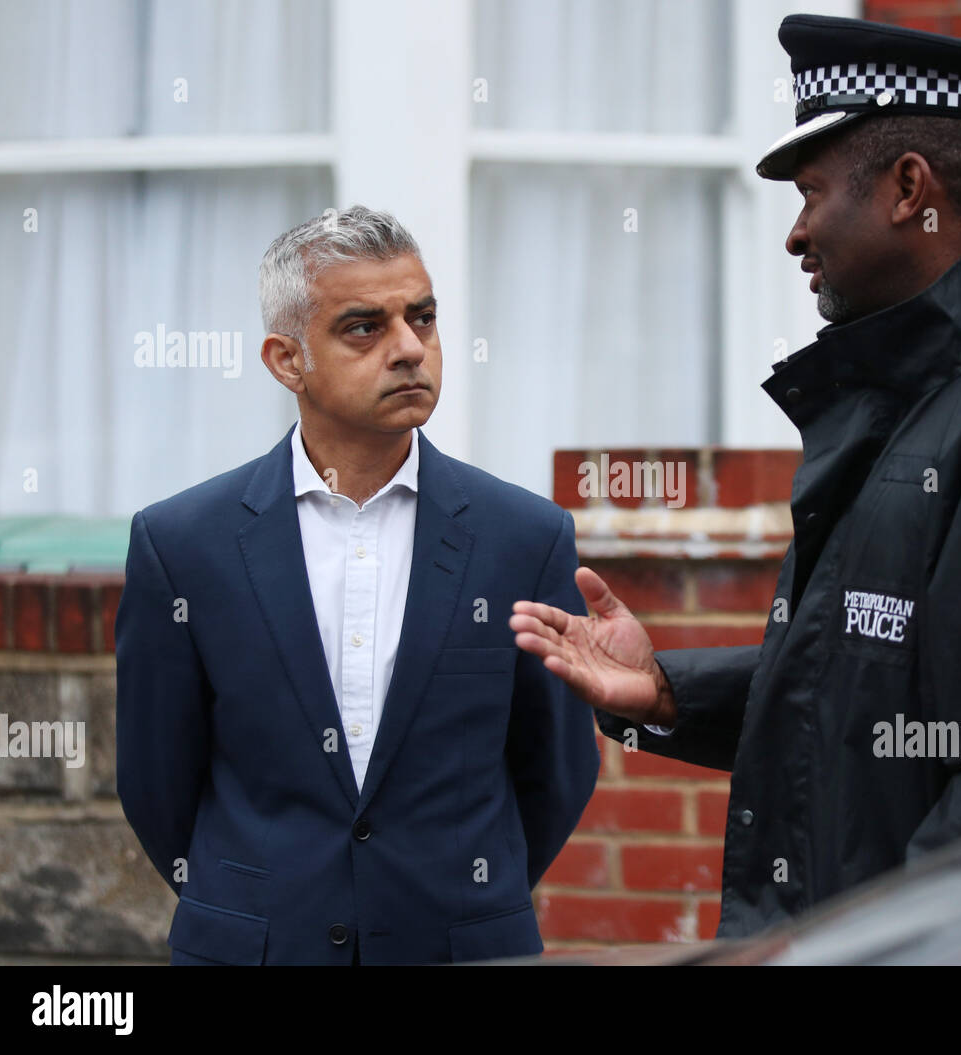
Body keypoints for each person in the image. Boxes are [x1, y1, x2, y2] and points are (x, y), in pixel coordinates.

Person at [510, 15, 961, 939]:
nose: (797, 234)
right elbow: (885, 688)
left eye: (811, 193)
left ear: (907, 189)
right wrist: (670, 692)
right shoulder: (925, 389)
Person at [116, 205, 599, 964]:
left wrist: (458, 902)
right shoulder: (182, 544)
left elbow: (558, 771)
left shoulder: (524, 538)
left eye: (424, 318)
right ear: (286, 360)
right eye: (364, 327)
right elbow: (155, 781)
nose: (410, 349)